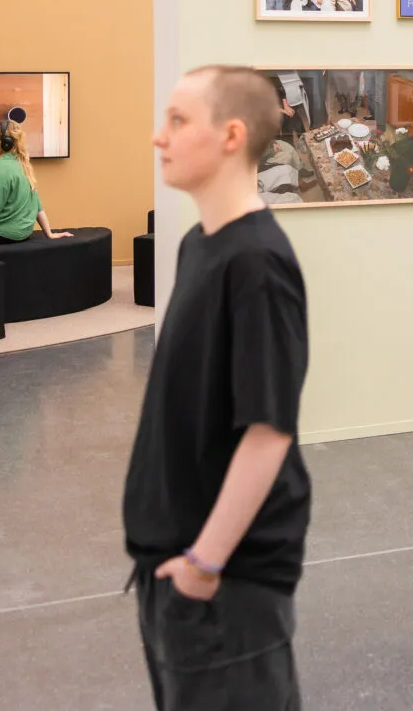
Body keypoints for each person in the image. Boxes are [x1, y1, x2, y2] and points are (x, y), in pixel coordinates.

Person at [124, 66, 311, 707]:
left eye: (178, 121)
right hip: (175, 567)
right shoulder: (196, 247)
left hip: (225, 580)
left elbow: (269, 428)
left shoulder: (256, 262)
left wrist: (205, 564)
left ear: (232, 136)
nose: (159, 137)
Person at [0, 119, 73, 244]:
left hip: (0, 233)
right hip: (22, 233)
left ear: (6, 143)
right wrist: (49, 233)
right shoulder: (22, 165)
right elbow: (37, 205)